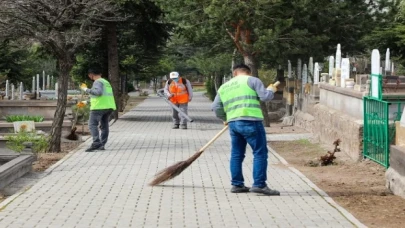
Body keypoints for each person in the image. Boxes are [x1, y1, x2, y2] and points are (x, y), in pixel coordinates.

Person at [211, 64, 280, 196]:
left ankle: (237, 185)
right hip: (251, 121)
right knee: (260, 153)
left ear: (234, 73)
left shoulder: (224, 86)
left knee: (237, 154)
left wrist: (225, 118)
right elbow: (265, 97)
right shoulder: (252, 80)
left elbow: (215, 106)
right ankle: (259, 185)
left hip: (234, 123)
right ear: (248, 72)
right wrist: (271, 90)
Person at [80, 67, 116, 152]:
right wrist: (85, 102)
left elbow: (98, 93)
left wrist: (85, 89)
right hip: (108, 106)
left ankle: (96, 143)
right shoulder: (105, 82)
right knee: (104, 125)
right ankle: (101, 144)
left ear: (91, 75)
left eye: (89, 76)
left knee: (92, 125)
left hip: (98, 107)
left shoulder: (97, 82)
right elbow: (100, 96)